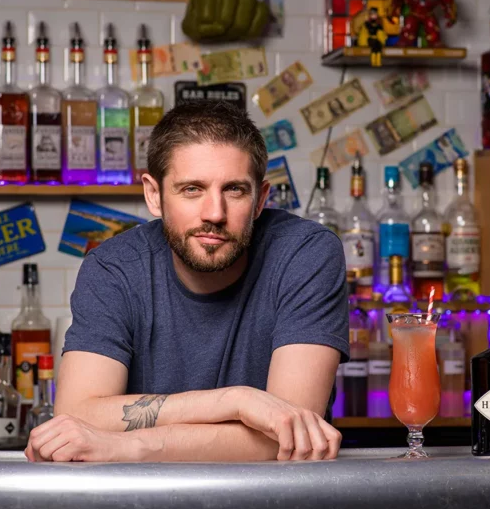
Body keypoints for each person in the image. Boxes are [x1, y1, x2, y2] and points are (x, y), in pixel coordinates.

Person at [25, 101, 348, 463]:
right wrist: (236, 401)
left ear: (260, 200)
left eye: (235, 190)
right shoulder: (113, 267)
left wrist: (127, 445)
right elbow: (74, 418)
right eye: (192, 189)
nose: (214, 213)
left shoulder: (306, 254)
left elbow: (292, 436)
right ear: (154, 195)